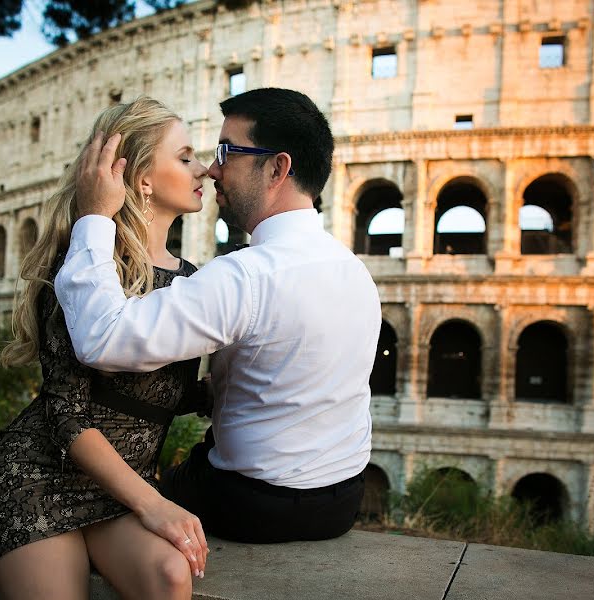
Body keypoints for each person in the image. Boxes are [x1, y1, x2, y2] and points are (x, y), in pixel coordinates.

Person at [56, 88, 382, 543]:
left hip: (250, 504)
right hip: (342, 501)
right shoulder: (356, 272)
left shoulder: (245, 275)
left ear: (277, 168)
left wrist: (93, 216)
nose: (212, 169)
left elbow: (101, 339)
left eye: (227, 153)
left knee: (123, 504)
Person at [0, 96, 210, 600]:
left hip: (118, 489)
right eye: (186, 157)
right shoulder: (81, 268)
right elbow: (68, 415)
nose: (205, 169)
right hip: (40, 474)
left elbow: (165, 393)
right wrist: (154, 503)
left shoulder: (192, 280)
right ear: (142, 179)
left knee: (171, 575)